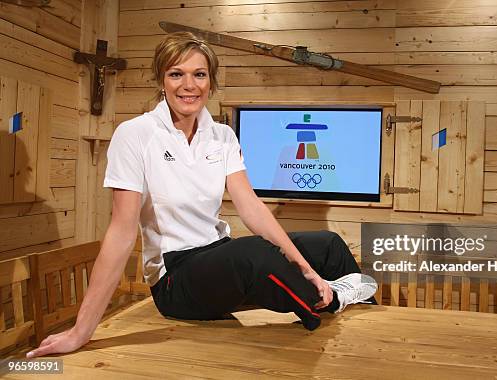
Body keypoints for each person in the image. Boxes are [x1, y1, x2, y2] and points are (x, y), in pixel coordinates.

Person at [26, 32, 377, 358]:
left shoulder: (222, 136)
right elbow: (121, 231)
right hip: (176, 278)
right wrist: (82, 330)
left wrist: (305, 265)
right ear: (161, 80)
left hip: (217, 255)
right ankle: (334, 298)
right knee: (254, 253)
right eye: (177, 74)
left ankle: (372, 340)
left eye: (200, 75)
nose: (189, 85)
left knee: (327, 245)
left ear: (211, 81)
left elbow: (251, 206)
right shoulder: (135, 135)